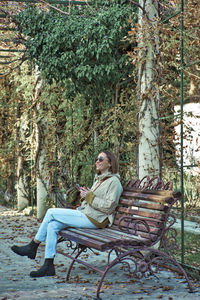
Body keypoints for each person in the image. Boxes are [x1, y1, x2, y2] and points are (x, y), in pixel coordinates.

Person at [11, 150, 123, 278]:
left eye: (101, 159)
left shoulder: (114, 182)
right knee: (52, 225)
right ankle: (48, 265)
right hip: (87, 214)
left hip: (96, 219)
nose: (97, 161)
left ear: (110, 163)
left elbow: (109, 207)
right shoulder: (99, 180)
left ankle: (33, 246)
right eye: (97, 159)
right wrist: (85, 196)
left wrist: (90, 197)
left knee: (51, 212)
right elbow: (93, 200)